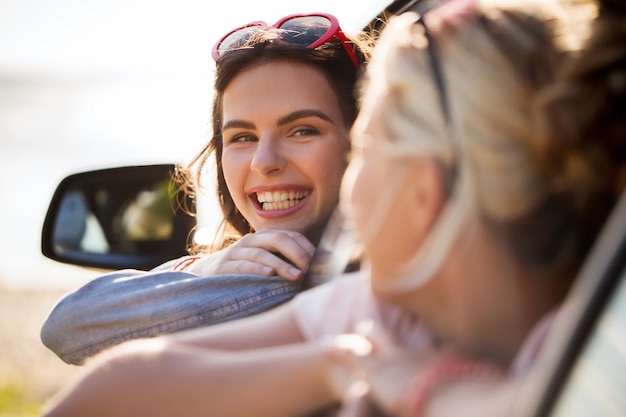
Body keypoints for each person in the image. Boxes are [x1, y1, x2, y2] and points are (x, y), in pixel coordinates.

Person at [41, 0, 625, 416]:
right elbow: (96, 355)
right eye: (239, 137)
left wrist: (420, 385)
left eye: (364, 146)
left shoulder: (591, 357)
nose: (265, 161)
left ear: (421, 192)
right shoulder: (374, 310)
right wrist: (345, 363)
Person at [40, 12, 372, 365]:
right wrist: (210, 266)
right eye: (243, 137)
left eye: (302, 130)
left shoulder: (307, 281)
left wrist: (208, 270)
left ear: (364, 139)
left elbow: (68, 326)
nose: (263, 161)